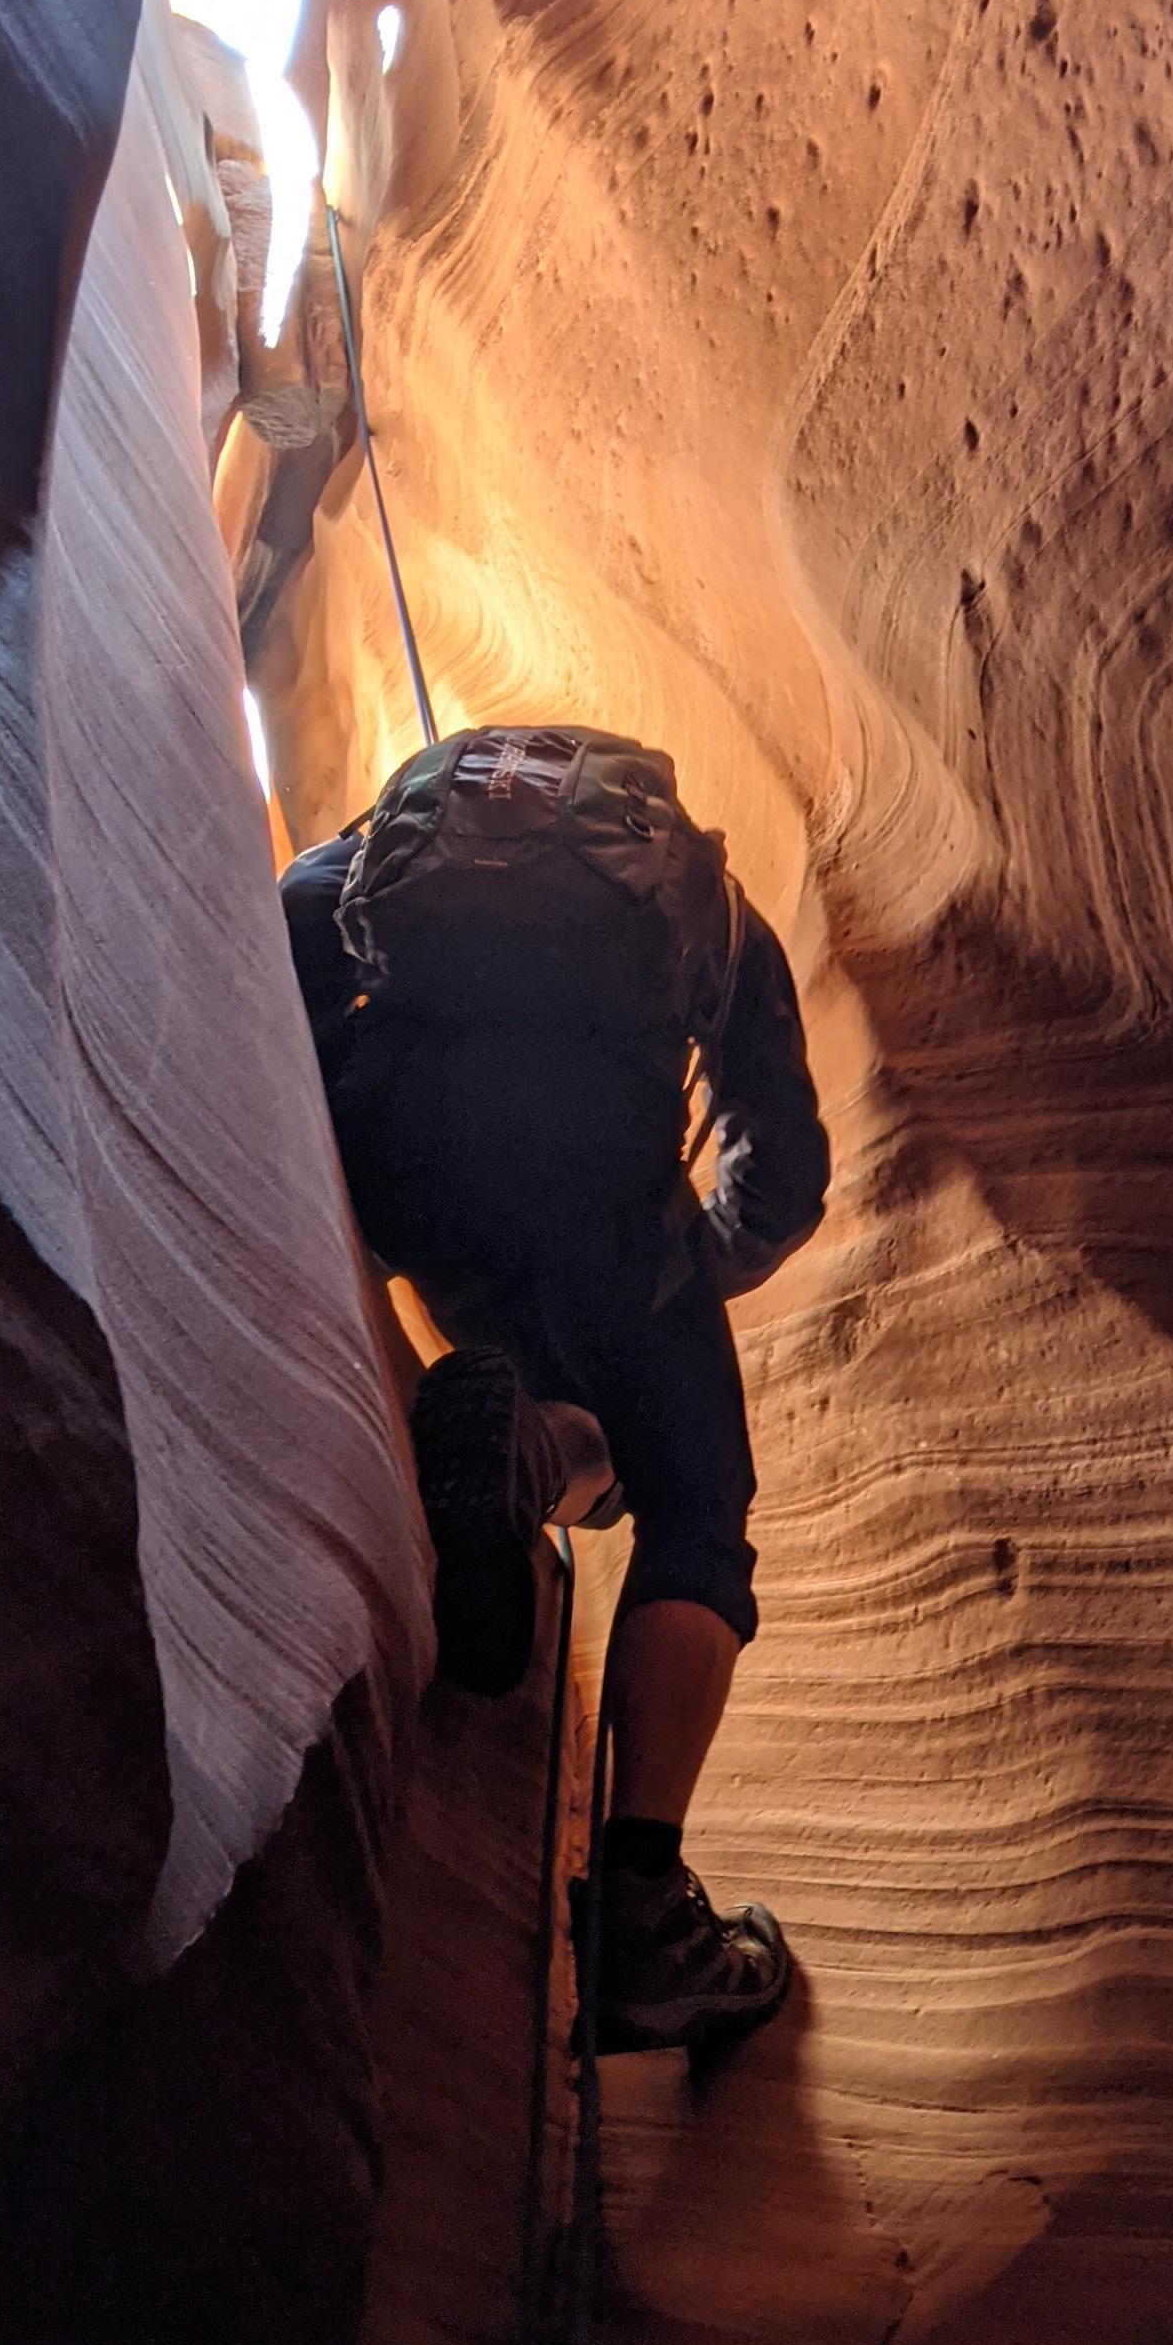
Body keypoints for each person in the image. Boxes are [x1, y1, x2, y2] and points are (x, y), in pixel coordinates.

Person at [281, 724, 828, 2052]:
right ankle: (643, 1917)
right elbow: (786, 1166)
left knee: (543, 1374)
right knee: (696, 1511)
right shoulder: (711, 906)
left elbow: (281, 969)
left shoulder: (371, 855)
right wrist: (698, 1266)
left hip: (417, 1179)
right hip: (603, 1212)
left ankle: (525, 1450)